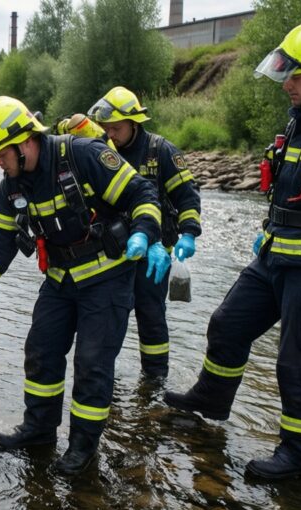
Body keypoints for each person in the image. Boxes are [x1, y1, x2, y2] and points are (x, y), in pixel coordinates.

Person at [163, 21, 301, 480]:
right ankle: (211, 400)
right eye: (285, 75)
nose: (287, 84)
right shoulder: (299, 121)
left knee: (300, 362)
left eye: (297, 77)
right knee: (227, 324)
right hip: (273, 258)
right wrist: (269, 234)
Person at [0, 96, 167, 475]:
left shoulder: (82, 155)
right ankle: (39, 430)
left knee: (92, 365)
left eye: (1, 154)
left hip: (108, 279)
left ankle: (82, 447)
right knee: (41, 351)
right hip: (60, 280)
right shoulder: (12, 187)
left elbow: (142, 194)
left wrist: (147, 235)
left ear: (24, 142)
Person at [80, 86, 202, 383]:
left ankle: (155, 379)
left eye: (117, 128)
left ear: (135, 122)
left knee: (151, 316)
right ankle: (104, 376)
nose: (111, 133)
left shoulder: (161, 151)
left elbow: (187, 196)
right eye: (107, 128)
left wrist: (188, 234)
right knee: (110, 315)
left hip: (154, 254)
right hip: (114, 251)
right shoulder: (102, 151)